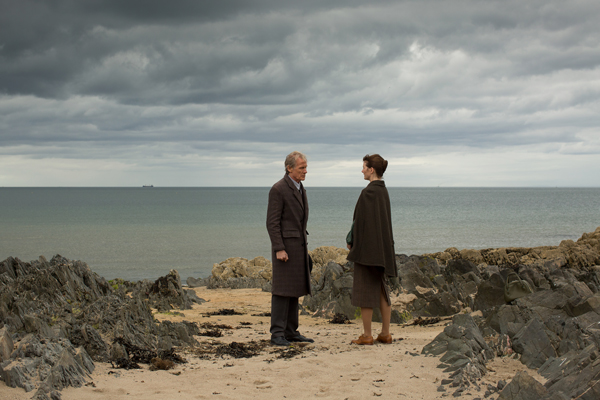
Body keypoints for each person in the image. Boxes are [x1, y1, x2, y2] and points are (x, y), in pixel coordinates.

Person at [346, 154, 398, 345]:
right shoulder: (383, 191)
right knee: (383, 290)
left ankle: (367, 335)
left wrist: (352, 241)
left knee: (365, 291)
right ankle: (385, 333)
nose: (362, 170)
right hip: (382, 248)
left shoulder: (368, 192)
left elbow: (358, 222)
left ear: (371, 169)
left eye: (364, 167)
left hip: (367, 249)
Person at [266, 151, 314, 346]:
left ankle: (291, 331)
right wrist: (279, 248)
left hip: (299, 247)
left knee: (294, 290)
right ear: (289, 168)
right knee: (281, 291)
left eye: (305, 167)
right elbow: (272, 222)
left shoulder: (300, 188)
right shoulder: (278, 189)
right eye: (302, 168)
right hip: (285, 249)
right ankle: (277, 333)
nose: (305, 171)